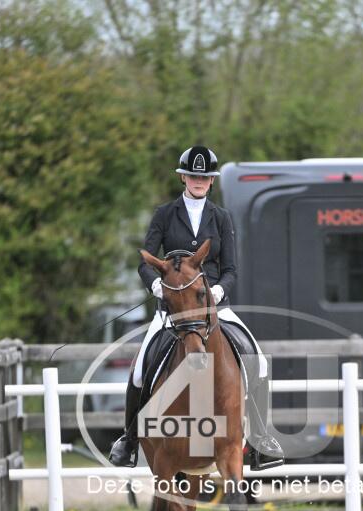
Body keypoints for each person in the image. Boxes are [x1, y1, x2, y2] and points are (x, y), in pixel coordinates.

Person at [109, 144, 284, 470]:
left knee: (258, 361)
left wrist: (218, 290)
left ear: (211, 180)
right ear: (183, 177)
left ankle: (261, 439)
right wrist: (156, 286)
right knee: (139, 370)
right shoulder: (164, 214)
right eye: (193, 176)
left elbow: (231, 268)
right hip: (173, 310)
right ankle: (129, 440)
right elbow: (145, 261)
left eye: (204, 177)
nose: (199, 181)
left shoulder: (221, 217)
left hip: (213, 306)